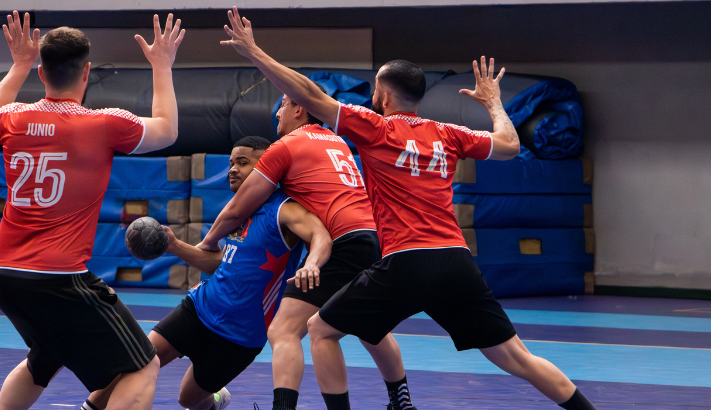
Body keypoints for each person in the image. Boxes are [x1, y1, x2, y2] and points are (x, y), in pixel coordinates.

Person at [220, 6, 598, 410]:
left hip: (406, 261)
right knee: (516, 357)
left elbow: (310, 96)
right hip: (455, 261)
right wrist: (493, 102)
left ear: (381, 96)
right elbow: (509, 145)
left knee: (320, 331)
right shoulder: (448, 133)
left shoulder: (375, 128)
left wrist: (256, 53)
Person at [0, 11, 185, 410]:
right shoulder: (103, 124)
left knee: (46, 356)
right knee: (144, 366)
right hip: (59, 279)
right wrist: (162, 65)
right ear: (87, 72)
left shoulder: (11, 119)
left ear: (41, 71)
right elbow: (168, 129)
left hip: (7, 276)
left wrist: (17, 65)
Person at [199, 88, 415, 410]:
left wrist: (208, 243)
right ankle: (402, 402)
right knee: (368, 325)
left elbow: (237, 208)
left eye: (283, 105)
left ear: (299, 108)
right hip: (374, 237)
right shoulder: (338, 141)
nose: (277, 114)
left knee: (286, 330)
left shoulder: (286, 145)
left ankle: (284, 407)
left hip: (341, 240)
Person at [85, 136, 333, 410]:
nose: (233, 169)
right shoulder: (239, 212)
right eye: (230, 163)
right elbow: (223, 263)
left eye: (243, 162)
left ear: (267, 168)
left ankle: (216, 399)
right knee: (135, 362)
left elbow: (320, 234)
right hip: (199, 308)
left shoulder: (283, 209)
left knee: (188, 400)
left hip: (239, 337)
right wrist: (176, 246)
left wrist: (312, 263)